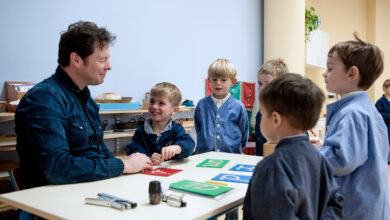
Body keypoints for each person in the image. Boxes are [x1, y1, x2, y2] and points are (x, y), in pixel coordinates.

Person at [15, 21, 153, 189]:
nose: (109, 66)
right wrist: (123, 165)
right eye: (102, 60)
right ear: (76, 60)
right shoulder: (44, 99)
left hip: (88, 188)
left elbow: (99, 152)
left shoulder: (85, 98)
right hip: (53, 200)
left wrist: (133, 164)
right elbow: (57, 168)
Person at [243, 73, 343, 220]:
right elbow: (334, 205)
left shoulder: (271, 168)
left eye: (263, 114)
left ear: (275, 119)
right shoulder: (320, 159)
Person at [319, 33, 390, 219]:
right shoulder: (367, 110)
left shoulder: (351, 113)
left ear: (352, 73)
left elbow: (343, 159)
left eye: (330, 68)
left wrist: (310, 153)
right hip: (370, 204)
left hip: (354, 208)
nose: (324, 73)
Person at [127, 82, 195, 165]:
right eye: (152, 101)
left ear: (174, 110)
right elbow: (133, 154)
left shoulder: (176, 128)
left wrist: (178, 148)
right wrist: (148, 159)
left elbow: (189, 144)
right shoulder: (140, 132)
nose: (154, 106)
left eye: (161, 103)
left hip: (172, 173)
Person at [194, 58, 249, 154]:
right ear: (209, 81)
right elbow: (199, 129)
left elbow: (244, 134)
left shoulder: (238, 107)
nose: (218, 83)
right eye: (214, 79)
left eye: (223, 80)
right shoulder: (201, 105)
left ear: (233, 82)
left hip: (232, 156)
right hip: (205, 158)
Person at [250, 58, 288, 156]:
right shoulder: (261, 112)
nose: (262, 88)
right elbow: (259, 145)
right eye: (260, 83)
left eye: (268, 84)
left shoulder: (291, 113)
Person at [375, 79, 390, 163]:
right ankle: (386, 159)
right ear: (384, 89)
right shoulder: (380, 102)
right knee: (386, 143)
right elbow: (378, 114)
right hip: (385, 126)